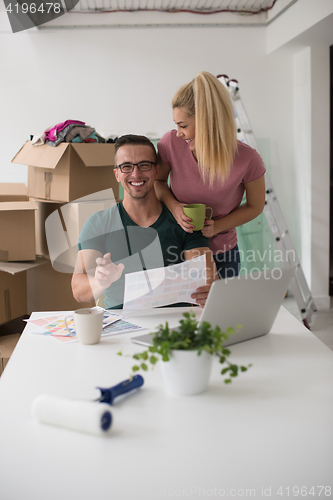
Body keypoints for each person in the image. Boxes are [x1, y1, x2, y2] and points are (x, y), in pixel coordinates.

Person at [71, 134, 217, 309]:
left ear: (156, 170)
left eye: (144, 165)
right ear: (116, 174)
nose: (136, 173)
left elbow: (206, 278)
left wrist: (209, 290)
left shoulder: (184, 222)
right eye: (126, 167)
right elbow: (79, 291)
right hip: (121, 328)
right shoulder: (98, 223)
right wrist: (101, 281)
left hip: (174, 326)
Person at [155, 71, 266, 279]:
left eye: (183, 125)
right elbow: (158, 182)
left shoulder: (248, 159)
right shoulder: (171, 143)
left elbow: (256, 206)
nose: (178, 132)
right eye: (176, 125)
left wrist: (218, 227)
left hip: (223, 253)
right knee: (180, 312)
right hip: (176, 247)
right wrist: (175, 207)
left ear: (207, 122)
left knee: (219, 311)